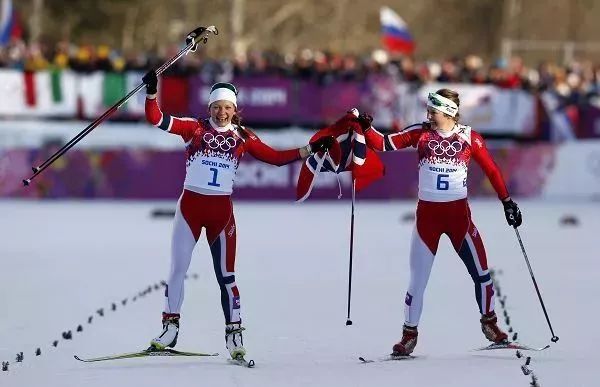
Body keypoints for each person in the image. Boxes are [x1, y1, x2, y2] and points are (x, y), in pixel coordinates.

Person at [141, 70, 334, 360]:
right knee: (177, 270)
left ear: (235, 109)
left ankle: (234, 335)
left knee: (227, 277)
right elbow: (156, 119)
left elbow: (277, 158)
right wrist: (152, 93)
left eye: (227, 108)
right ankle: (170, 329)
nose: (222, 113)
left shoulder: (243, 136)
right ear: (209, 108)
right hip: (189, 211)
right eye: (217, 107)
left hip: (221, 215)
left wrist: (310, 149)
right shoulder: (194, 128)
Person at [360, 89, 522, 356]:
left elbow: (492, 170)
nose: (428, 115)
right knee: (417, 282)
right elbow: (382, 143)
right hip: (428, 219)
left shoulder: (469, 137)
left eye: (433, 111)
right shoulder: (420, 132)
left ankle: (491, 325)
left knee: (481, 274)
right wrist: (365, 128)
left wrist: (507, 202)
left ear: (448, 112)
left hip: (459, 217)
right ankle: (408, 336)